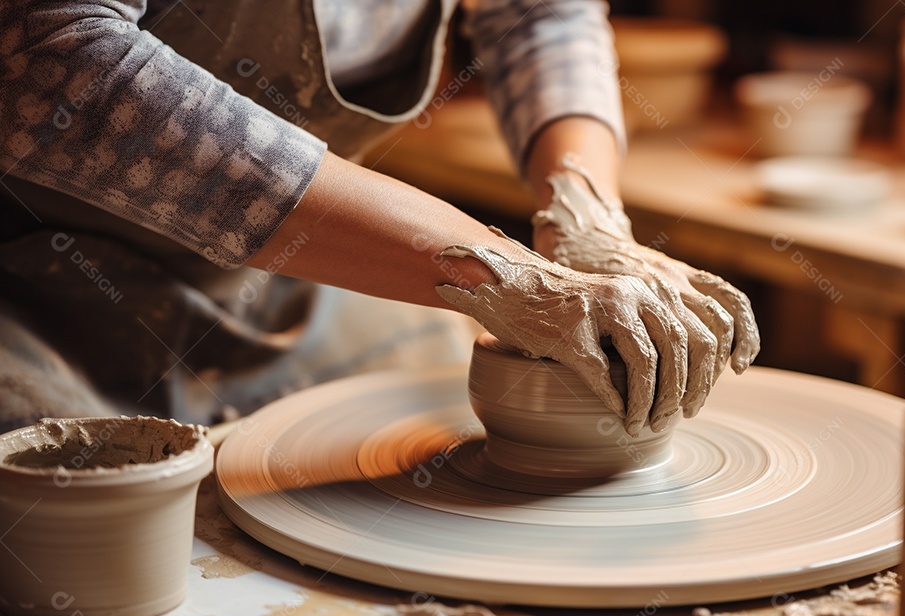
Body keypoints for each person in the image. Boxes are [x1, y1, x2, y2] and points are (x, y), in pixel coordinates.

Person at [0, 0, 758, 436]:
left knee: (446, 425)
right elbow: (53, 58)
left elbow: (541, 14)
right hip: (29, 280)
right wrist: (505, 277)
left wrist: (585, 217)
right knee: (88, 540)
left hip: (291, 268)